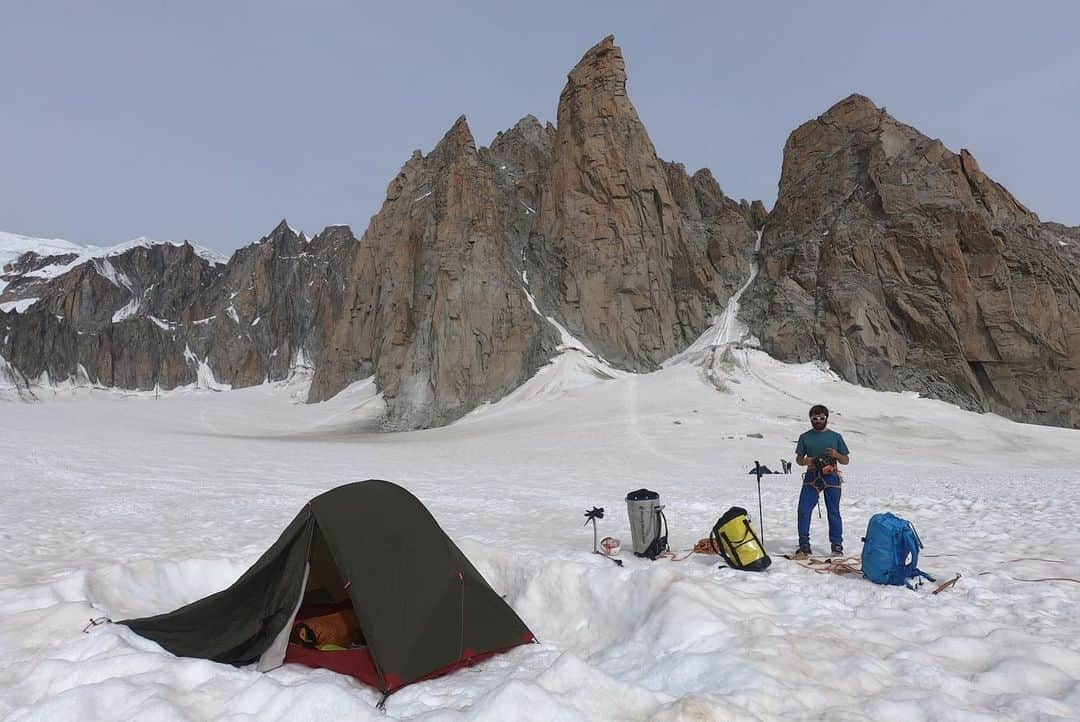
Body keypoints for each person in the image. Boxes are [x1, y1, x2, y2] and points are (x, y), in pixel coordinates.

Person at [793, 404, 850, 558]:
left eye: (821, 418)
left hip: (831, 475)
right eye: (815, 418)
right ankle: (804, 545)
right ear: (811, 419)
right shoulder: (804, 437)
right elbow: (798, 459)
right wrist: (806, 461)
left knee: (833, 511)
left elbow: (846, 460)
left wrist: (836, 454)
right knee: (803, 510)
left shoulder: (836, 437)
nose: (818, 420)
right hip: (812, 476)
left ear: (826, 419)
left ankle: (836, 545)